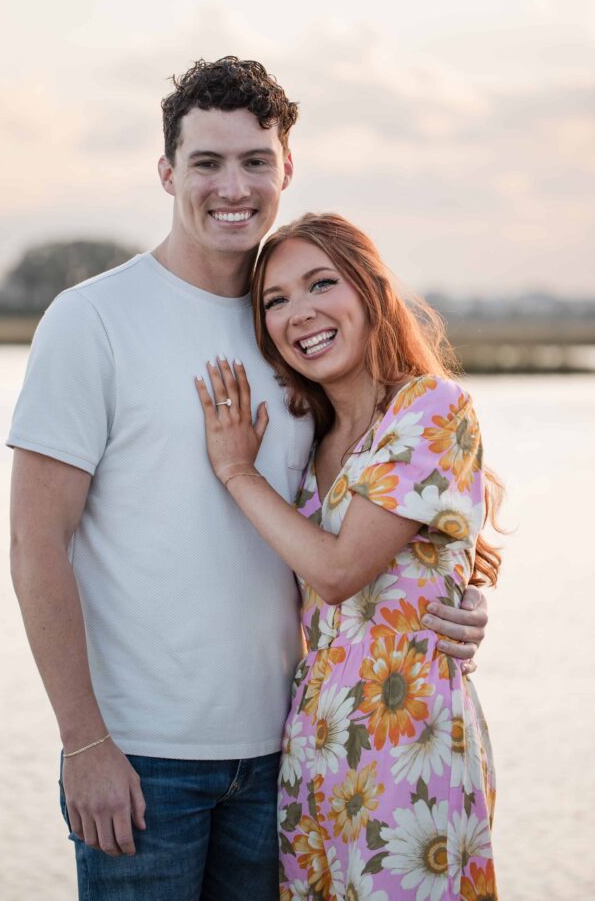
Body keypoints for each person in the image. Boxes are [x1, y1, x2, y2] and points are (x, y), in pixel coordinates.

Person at [8, 58, 489, 901]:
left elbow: (383, 501)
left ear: (285, 169)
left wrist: (456, 598)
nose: (232, 186)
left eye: (254, 161)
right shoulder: (92, 320)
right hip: (142, 760)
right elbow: (33, 542)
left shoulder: (294, 331)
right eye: (206, 162)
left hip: (289, 752)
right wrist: (83, 743)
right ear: (167, 172)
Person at [195, 211, 501, 901]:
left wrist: (237, 472)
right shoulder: (310, 438)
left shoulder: (429, 407)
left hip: (406, 741)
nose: (298, 313)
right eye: (275, 301)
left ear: (369, 292)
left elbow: (336, 573)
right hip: (312, 748)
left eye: (319, 284)